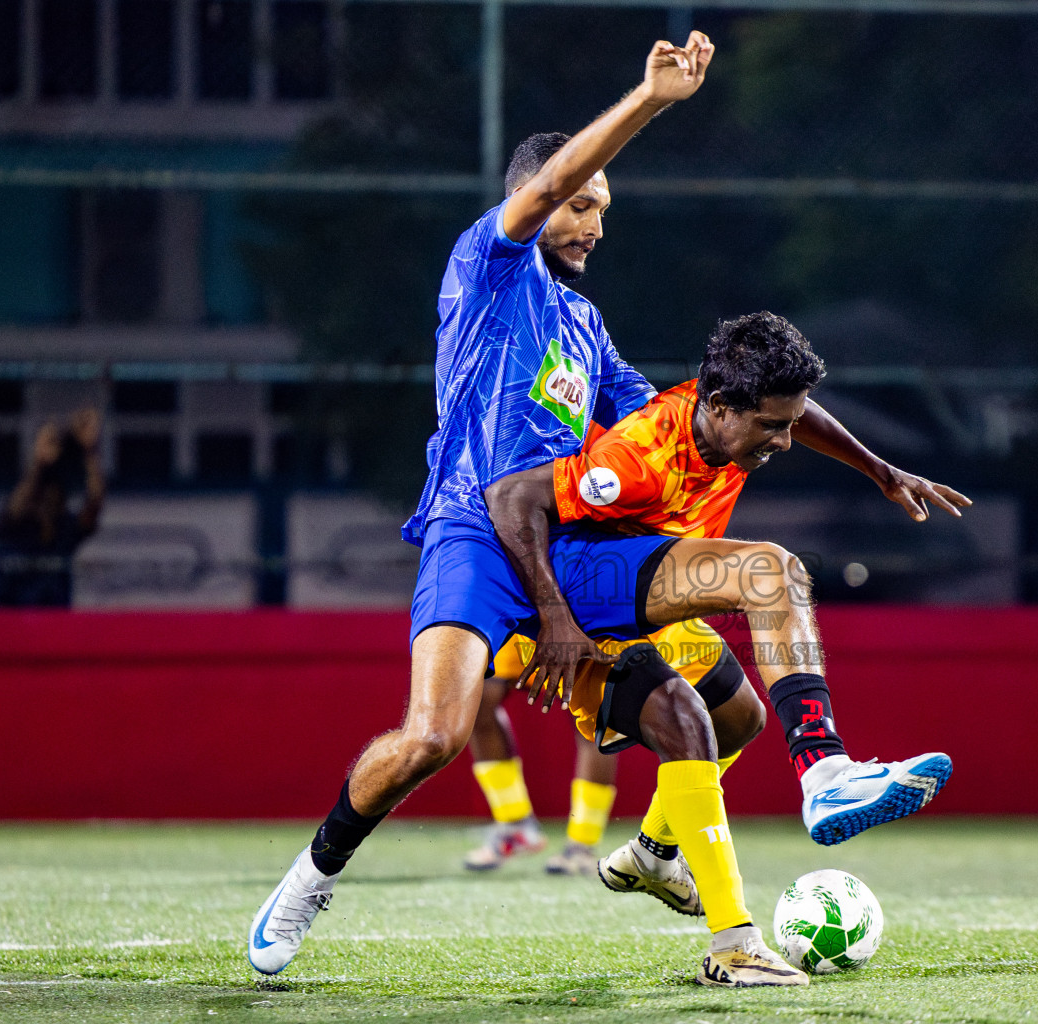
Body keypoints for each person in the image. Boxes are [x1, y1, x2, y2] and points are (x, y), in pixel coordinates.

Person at [251, 33, 812, 989]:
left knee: (701, 718)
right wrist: (651, 100)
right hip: (473, 536)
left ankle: (731, 942)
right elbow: (551, 183)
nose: (595, 221)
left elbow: (694, 405)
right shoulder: (488, 269)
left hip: (569, 549)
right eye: (585, 204)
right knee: (432, 736)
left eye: (604, 209)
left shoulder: (585, 328)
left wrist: (849, 447)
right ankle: (311, 875)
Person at [483, 312, 971, 913]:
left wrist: (879, 470)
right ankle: (823, 772)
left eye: (787, 423)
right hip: (585, 590)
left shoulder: (731, 408)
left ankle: (653, 852)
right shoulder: (636, 460)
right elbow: (510, 497)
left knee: (739, 720)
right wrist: (555, 619)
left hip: (649, 582)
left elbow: (798, 412)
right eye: (771, 426)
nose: (785, 441)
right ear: (719, 406)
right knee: (772, 571)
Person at [463, 618, 731, 877]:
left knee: (592, 711)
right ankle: (514, 824)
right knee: (480, 698)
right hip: (522, 599)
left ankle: (582, 843)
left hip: (574, 594)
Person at [0, 408, 105, 608]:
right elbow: (12, 515)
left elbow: (93, 505)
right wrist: (39, 461)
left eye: (55, 443)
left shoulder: (65, 520)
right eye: (47, 441)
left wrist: (89, 451)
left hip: (52, 610)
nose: (51, 448)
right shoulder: (16, 508)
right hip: (11, 605)